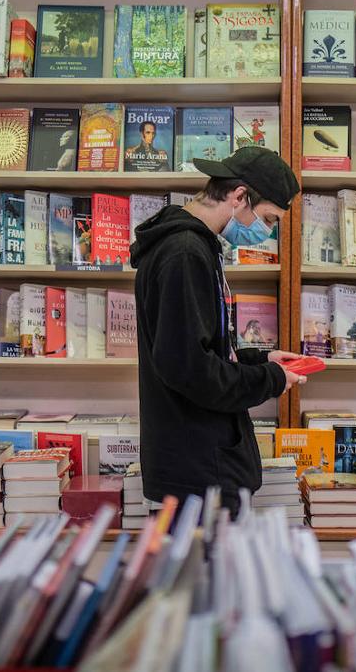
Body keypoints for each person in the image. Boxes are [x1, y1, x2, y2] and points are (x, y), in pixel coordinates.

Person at [130, 146, 304, 513]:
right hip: (197, 476)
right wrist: (270, 380)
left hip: (200, 468)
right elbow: (191, 369)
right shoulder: (184, 252)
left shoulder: (194, 247)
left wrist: (261, 358)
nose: (267, 232)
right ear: (240, 196)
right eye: (269, 219)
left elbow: (201, 346)